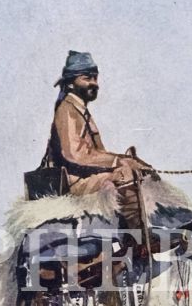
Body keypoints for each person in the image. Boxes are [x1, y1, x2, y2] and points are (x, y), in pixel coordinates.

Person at [40, 49, 155, 234]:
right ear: (71, 83)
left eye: (95, 78)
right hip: (72, 182)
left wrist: (126, 159)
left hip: (83, 176)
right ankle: (139, 238)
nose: (94, 83)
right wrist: (119, 162)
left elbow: (98, 153)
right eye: (87, 78)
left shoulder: (80, 110)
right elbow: (75, 155)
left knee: (131, 169)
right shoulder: (67, 110)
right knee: (124, 174)